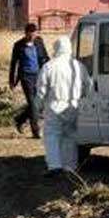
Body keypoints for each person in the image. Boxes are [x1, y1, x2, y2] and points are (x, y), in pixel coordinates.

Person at [36, 37, 92, 177]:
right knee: (70, 136)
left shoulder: (49, 66)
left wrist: (39, 107)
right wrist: (82, 99)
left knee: (52, 135)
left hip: (54, 105)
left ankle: (55, 166)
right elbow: (88, 86)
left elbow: (41, 90)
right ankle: (70, 167)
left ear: (56, 48)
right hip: (73, 105)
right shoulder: (79, 66)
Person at [10, 23, 50, 138]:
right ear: (26, 33)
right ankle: (35, 131)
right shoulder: (18, 45)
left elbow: (45, 57)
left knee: (38, 103)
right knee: (33, 104)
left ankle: (19, 119)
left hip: (38, 76)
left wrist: (50, 70)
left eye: (35, 33)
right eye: (31, 33)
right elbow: (13, 64)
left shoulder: (39, 42)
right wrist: (12, 80)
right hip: (25, 77)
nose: (33, 36)